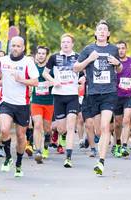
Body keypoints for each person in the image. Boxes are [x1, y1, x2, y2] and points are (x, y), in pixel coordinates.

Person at [74, 20, 122, 175]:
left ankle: (101, 161)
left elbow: (120, 68)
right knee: (98, 131)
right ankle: (102, 147)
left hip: (109, 93)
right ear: (95, 33)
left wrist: (117, 63)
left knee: (104, 126)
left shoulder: (114, 49)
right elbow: (75, 68)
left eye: (105, 30)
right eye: (99, 29)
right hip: (93, 94)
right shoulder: (88, 49)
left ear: (108, 34)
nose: (102, 32)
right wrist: (89, 59)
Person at [0, 36, 39, 177]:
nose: (15, 48)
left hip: (22, 104)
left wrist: (21, 80)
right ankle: (8, 158)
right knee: (4, 130)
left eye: (18, 46)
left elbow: (35, 82)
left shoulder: (28, 62)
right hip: (6, 102)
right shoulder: (2, 61)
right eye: (13, 45)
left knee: (21, 137)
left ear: (23, 48)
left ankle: (19, 163)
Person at [43, 33, 79, 168]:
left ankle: (68, 158)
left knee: (70, 126)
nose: (65, 44)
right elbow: (44, 73)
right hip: (58, 95)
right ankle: (60, 135)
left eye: (68, 42)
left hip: (72, 95)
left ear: (72, 44)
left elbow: (85, 72)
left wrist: (83, 79)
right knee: (61, 128)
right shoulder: (54, 57)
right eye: (63, 42)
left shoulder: (78, 57)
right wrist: (53, 81)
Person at [113, 41, 131, 157]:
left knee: (127, 119)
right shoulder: (112, 62)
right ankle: (117, 144)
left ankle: (124, 145)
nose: (121, 50)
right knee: (118, 123)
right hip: (116, 95)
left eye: (123, 48)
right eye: (118, 48)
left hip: (129, 94)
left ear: (126, 49)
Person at [31, 46, 53, 164]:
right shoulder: (32, 67)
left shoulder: (50, 68)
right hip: (36, 101)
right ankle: (38, 151)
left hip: (49, 101)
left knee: (47, 128)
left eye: (43, 53)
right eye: (39, 53)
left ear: (46, 55)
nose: (40, 55)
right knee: (37, 125)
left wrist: (47, 83)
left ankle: (46, 143)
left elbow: (56, 81)